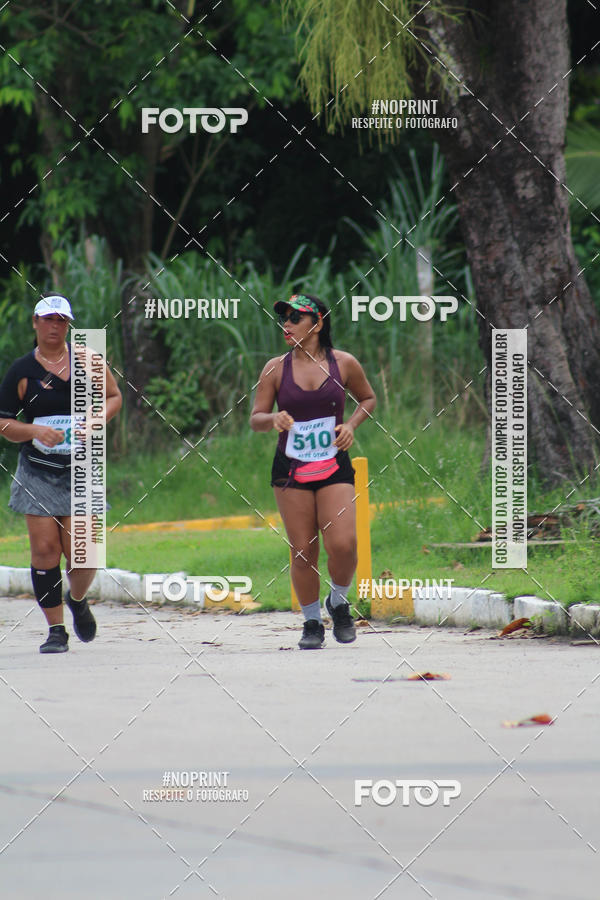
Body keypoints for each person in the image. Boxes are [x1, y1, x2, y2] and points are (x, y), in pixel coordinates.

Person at [250, 293, 376, 649]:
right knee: (303, 550)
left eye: (295, 318)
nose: (286, 325)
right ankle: (310, 623)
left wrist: (351, 424)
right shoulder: (275, 368)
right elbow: (255, 418)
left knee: (344, 544)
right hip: (291, 470)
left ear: (318, 323)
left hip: (333, 464)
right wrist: (273, 418)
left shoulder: (344, 363)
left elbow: (368, 399)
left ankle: (338, 600)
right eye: (284, 319)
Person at [0, 294, 122, 653]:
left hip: (81, 467)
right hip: (38, 469)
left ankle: (78, 599)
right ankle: (56, 630)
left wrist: (96, 420)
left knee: (84, 553)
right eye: (48, 319)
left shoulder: (88, 361)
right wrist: (36, 431)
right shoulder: (21, 371)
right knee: (45, 550)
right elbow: (4, 423)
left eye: (62, 321)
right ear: (35, 323)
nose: (55, 326)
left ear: (69, 325)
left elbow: (114, 397)